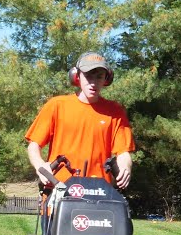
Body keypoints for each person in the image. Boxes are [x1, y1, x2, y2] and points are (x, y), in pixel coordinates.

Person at [25, 51, 135, 191]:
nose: (93, 83)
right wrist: (41, 165)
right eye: (88, 76)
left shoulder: (115, 112)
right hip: (59, 189)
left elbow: (123, 152)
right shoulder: (57, 105)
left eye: (99, 77)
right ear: (76, 76)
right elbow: (34, 145)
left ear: (106, 79)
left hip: (99, 191)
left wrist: (125, 166)